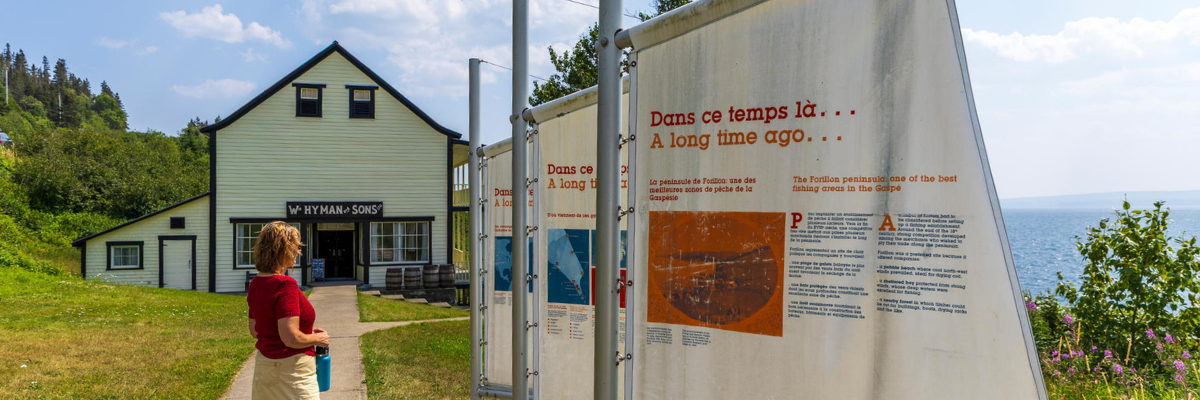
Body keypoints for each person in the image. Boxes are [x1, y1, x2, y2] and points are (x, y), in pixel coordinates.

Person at [246, 221, 329, 399]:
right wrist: (317, 338)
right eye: (295, 246)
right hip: (293, 373)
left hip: (265, 369)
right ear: (282, 250)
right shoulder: (285, 284)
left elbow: (255, 330)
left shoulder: (255, 284)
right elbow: (290, 338)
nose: (298, 251)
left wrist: (305, 332)